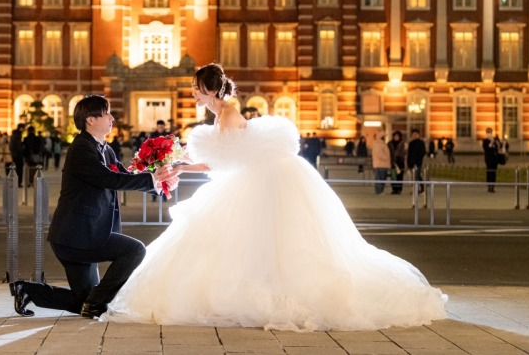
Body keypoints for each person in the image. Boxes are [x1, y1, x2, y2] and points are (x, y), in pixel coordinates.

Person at [103, 63, 446, 331]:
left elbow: (225, 162)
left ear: (210, 89)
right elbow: (224, 158)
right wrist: (178, 163)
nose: (193, 93)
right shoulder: (222, 114)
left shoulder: (228, 114)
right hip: (248, 179)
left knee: (250, 244)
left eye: (196, 88)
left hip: (257, 182)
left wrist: (181, 166)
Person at [8, 94, 178, 319]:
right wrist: (151, 179)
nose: (112, 118)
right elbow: (108, 179)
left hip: (84, 233)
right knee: (135, 250)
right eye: (106, 114)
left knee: (84, 300)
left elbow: (123, 176)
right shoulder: (81, 149)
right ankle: (97, 303)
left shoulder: (105, 149)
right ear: (90, 119)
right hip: (77, 235)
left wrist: (158, 182)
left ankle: (28, 290)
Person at [406, 129, 427, 194]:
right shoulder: (411, 143)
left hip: (418, 163)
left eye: (416, 134)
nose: (414, 136)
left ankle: (419, 189)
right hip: (411, 163)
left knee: (417, 176)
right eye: (413, 134)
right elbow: (409, 154)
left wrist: (418, 160)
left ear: (418, 135)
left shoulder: (421, 143)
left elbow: (423, 153)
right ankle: (419, 189)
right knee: (415, 176)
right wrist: (408, 163)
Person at [482, 128, 501, 193]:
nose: (489, 134)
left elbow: (499, 147)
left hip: (494, 159)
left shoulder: (495, 140)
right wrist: (491, 142)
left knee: (494, 173)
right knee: (489, 172)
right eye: (488, 133)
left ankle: (493, 186)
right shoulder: (485, 141)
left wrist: (497, 143)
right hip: (488, 159)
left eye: (490, 133)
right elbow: (486, 148)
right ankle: (489, 186)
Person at [9, 123, 26, 187]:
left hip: (16, 154)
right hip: (18, 155)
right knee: (19, 169)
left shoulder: (16, 134)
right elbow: (15, 145)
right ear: (21, 128)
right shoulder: (17, 135)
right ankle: (18, 182)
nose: (24, 129)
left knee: (17, 169)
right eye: (23, 128)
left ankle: (17, 182)